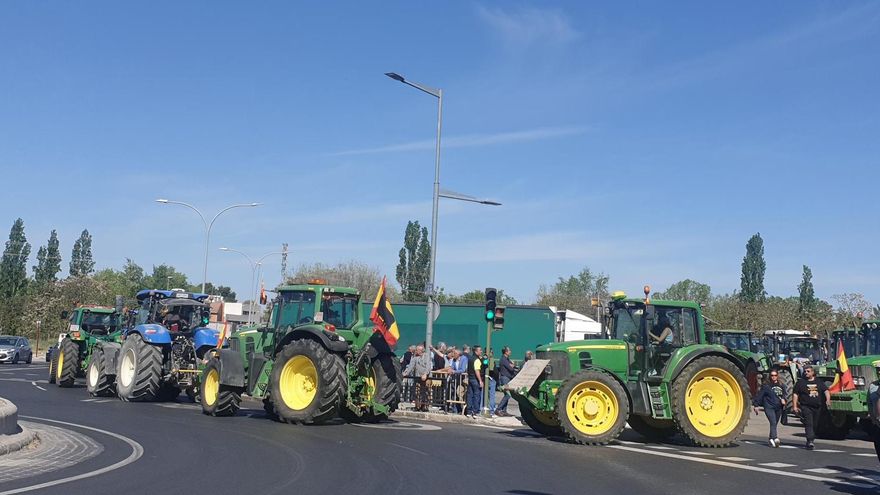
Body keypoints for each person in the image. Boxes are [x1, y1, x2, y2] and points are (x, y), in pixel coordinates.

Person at [792, 366, 830, 450]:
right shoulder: (801, 383)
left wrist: (828, 399)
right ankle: (810, 441)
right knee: (809, 423)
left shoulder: (819, 382)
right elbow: (795, 394)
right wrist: (794, 406)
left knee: (815, 424)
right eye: (805, 371)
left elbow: (826, 391)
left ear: (813, 373)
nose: (806, 373)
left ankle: (811, 438)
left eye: (808, 371)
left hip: (817, 406)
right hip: (806, 406)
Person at [752, 370, 787, 447]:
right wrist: (756, 405)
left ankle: (771, 438)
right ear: (770, 376)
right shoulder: (766, 386)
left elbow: (784, 394)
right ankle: (775, 438)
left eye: (775, 375)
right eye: (772, 375)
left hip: (778, 407)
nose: (773, 377)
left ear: (777, 376)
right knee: (773, 422)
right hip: (769, 406)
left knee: (774, 423)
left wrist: (784, 399)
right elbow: (760, 396)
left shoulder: (781, 385)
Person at [403, 345, 432, 412]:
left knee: (426, 392)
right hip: (418, 377)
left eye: (417, 350)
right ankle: (417, 406)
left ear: (421, 350)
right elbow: (411, 366)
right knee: (416, 392)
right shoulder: (415, 357)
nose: (416, 351)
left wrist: (425, 374)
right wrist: (405, 373)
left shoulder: (426, 356)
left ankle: (425, 406)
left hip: (426, 377)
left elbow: (428, 366)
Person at [496, 346, 516, 417]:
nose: (510, 352)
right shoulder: (503, 359)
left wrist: (512, 365)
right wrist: (512, 366)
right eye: (509, 350)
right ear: (506, 352)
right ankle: (498, 409)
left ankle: (504, 411)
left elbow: (513, 366)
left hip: (508, 378)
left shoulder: (507, 359)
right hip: (505, 378)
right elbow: (511, 368)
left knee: (506, 394)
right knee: (508, 394)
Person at [466, 345, 484, 418]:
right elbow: (477, 370)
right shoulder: (476, 360)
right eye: (480, 350)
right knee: (477, 396)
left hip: (470, 378)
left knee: (470, 395)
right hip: (475, 379)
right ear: (476, 351)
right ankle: (475, 412)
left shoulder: (470, 358)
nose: (481, 351)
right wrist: (480, 381)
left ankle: (469, 412)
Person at [868, 360, 880, 463]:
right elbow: (870, 404)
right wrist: (873, 419)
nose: (879, 372)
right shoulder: (872, 387)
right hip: (877, 424)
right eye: (878, 370)